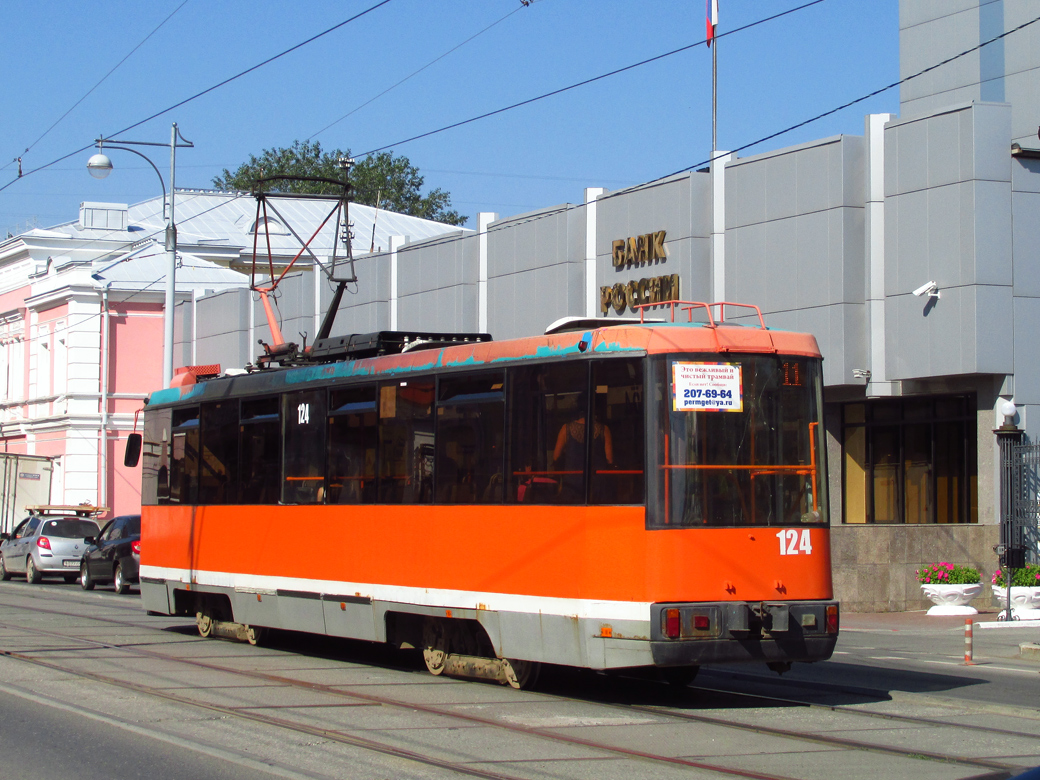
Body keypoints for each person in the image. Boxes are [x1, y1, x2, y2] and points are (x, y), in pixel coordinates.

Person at [552, 414, 613, 502]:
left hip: (571, 483)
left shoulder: (566, 429)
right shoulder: (604, 429)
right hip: (596, 483)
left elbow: (556, 457)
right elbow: (610, 459)